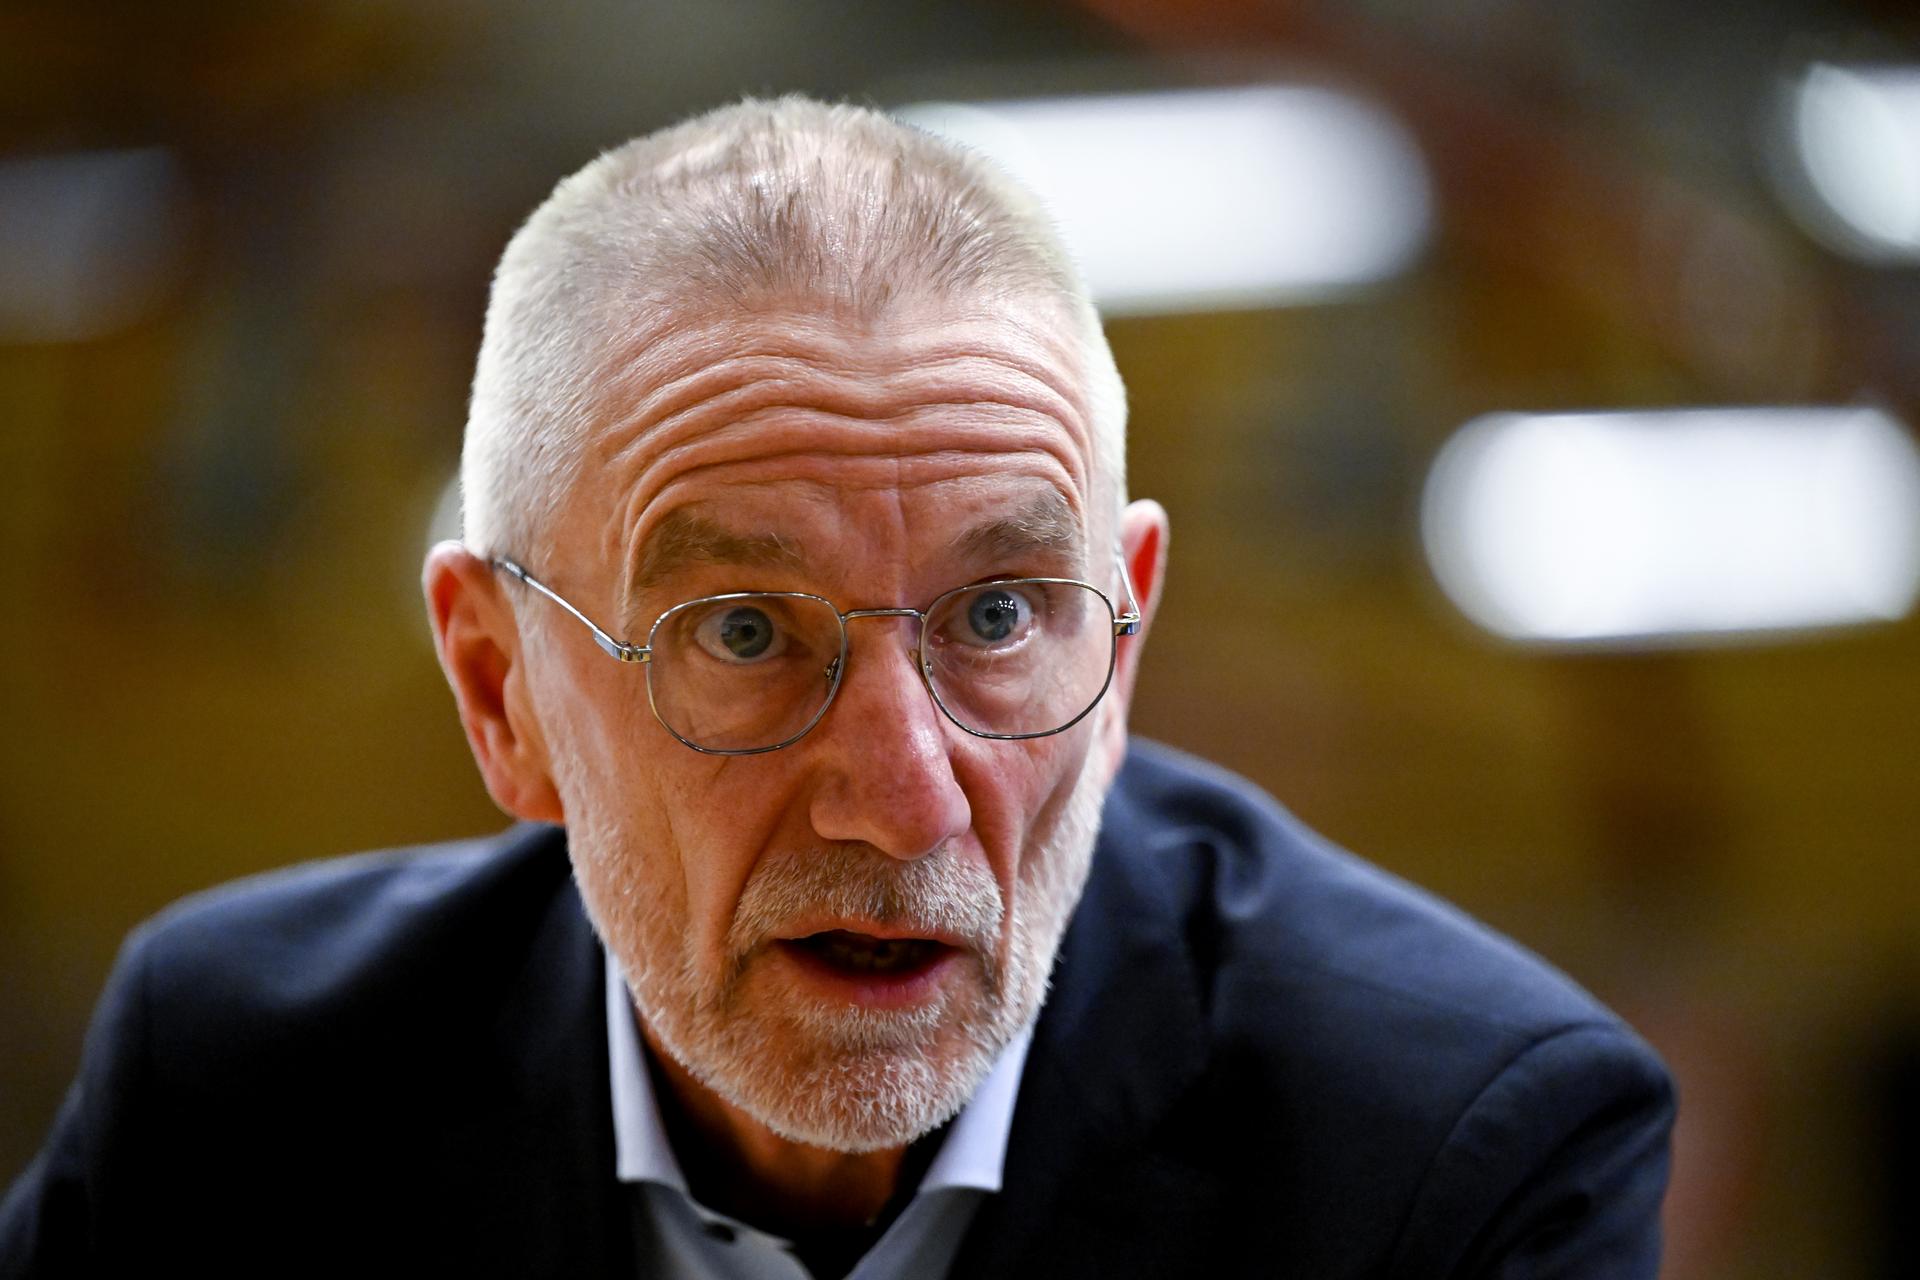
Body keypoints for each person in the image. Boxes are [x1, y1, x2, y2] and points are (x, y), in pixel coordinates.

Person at [0, 96, 1673, 1278]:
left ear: (1129, 638)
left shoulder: (1454, 1159)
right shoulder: (241, 1101)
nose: (905, 792)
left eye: (1004, 613)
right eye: (742, 631)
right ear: (501, 690)